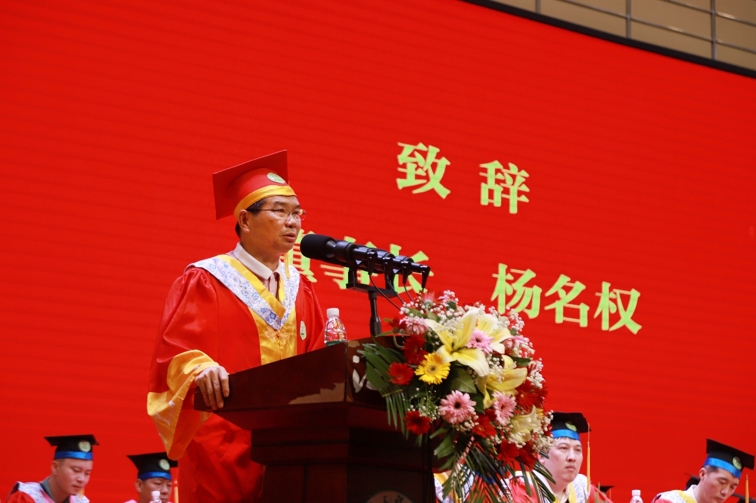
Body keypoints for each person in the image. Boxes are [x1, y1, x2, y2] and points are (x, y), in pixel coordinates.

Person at [147, 150, 326, 503]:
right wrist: (200, 369)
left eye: (297, 213)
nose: (293, 222)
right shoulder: (207, 279)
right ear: (245, 219)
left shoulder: (302, 289)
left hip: (288, 450)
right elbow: (175, 352)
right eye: (280, 211)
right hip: (223, 446)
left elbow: (318, 360)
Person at [509, 412, 612, 503]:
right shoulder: (522, 489)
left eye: (577, 450)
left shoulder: (581, 489)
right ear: (541, 455)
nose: (572, 457)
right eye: (563, 448)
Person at [652, 440, 754, 503]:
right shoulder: (669, 501)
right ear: (703, 474)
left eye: (732, 487)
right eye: (722, 482)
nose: (725, 492)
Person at [7, 435, 97, 503]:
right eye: (76, 470)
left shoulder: (81, 501)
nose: (81, 479)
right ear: (55, 467)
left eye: (87, 473)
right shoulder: (26, 497)